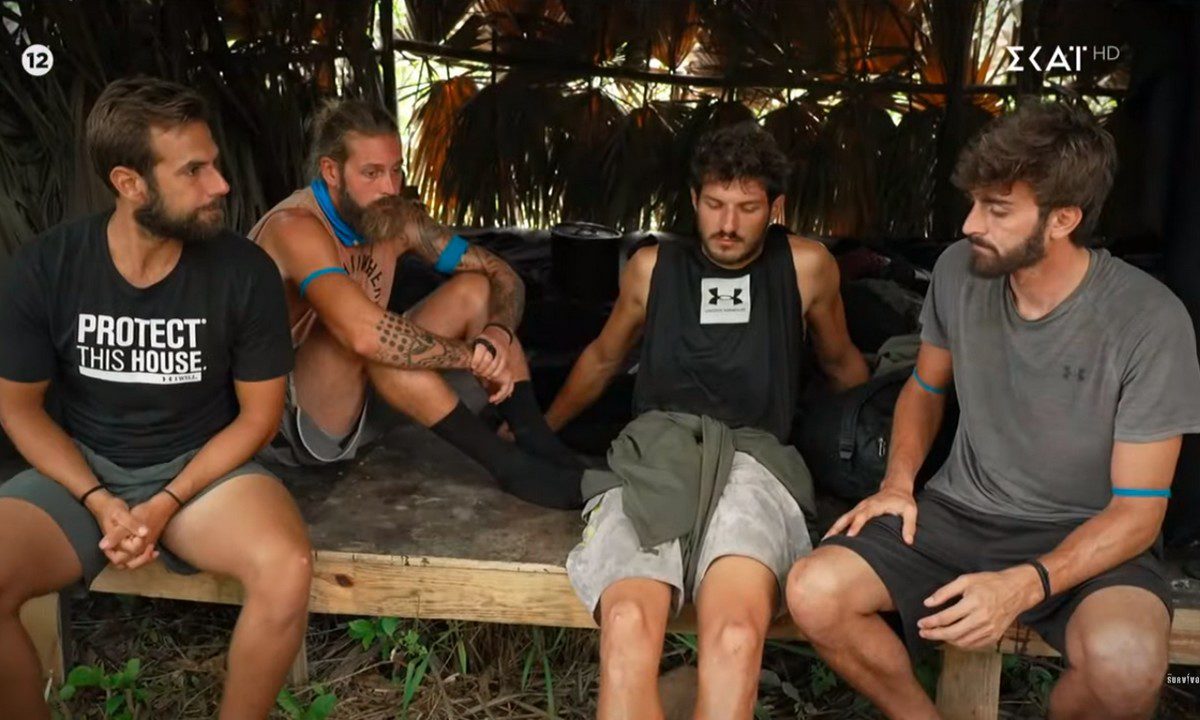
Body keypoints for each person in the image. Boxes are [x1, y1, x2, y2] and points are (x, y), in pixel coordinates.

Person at [786, 101, 1200, 720]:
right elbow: (924, 389)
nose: (969, 224)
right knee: (814, 591)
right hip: (960, 514)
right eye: (975, 202)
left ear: (1063, 219)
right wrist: (897, 484)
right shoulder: (960, 271)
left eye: (997, 209)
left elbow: (1138, 513)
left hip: (1089, 533)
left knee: (1126, 667)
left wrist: (1025, 583)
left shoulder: (1149, 319)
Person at [0, 77, 308, 720]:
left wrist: (166, 500)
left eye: (214, 164)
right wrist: (97, 498)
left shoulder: (244, 272)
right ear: (129, 183)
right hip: (80, 472)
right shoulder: (48, 266)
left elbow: (260, 416)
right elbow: (18, 407)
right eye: (193, 170)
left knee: (286, 567)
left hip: (204, 475)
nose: (220, 185)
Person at [546, 122, 869, 720]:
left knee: (736, 636)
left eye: (747, 208)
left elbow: (841, 362)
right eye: (715, 204)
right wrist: (541, 428)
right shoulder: (651, 268)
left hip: (756, 461)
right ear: (693, 200)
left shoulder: (806, 266)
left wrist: (884, 463)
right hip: (654, 454)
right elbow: (603, 357)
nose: (728, 224)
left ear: (775, 208)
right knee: (627, 620)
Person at [249, 100, 582, 509]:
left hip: (367, 395)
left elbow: (501, 272)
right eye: (372, 173)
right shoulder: (296, 226)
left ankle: (537, 440)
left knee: (475, 288)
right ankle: (510, 466)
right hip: (294, 422)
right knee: (371, 334)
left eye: (396, 170)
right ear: (331, 172)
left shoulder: (394, 218)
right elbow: (364, 334)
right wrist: (472, 357)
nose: (390, 187)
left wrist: (497, 334)